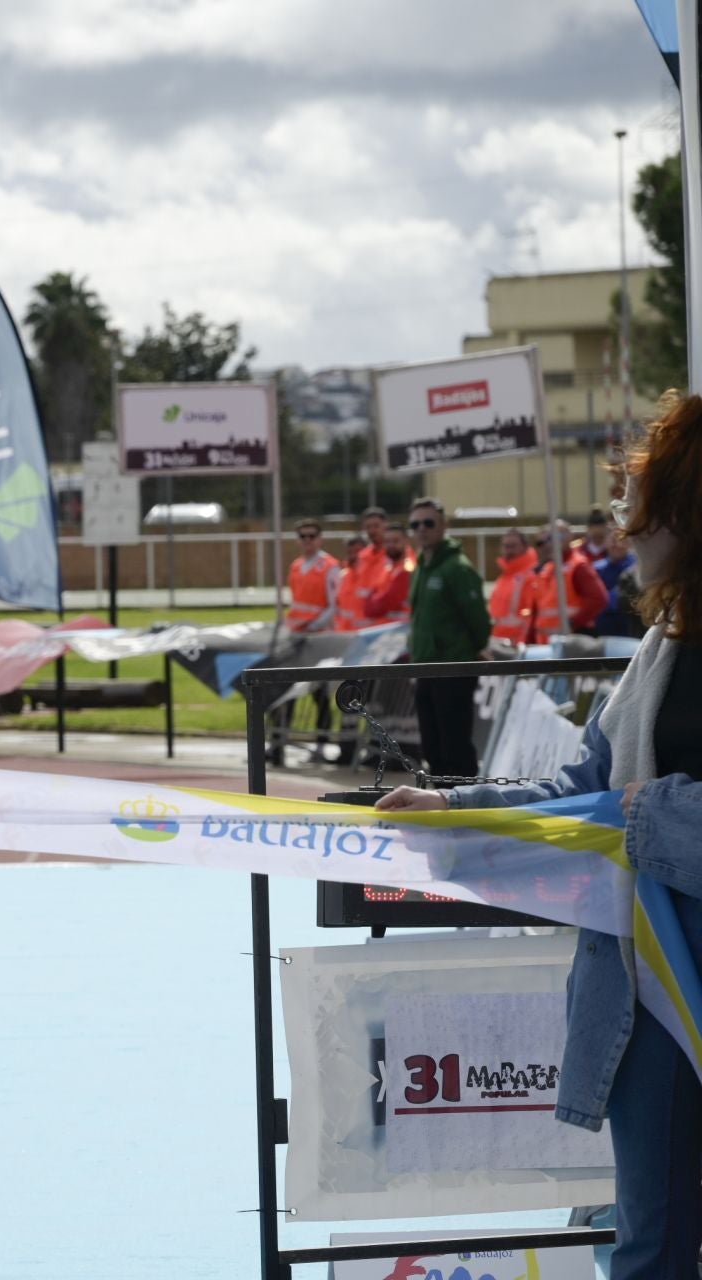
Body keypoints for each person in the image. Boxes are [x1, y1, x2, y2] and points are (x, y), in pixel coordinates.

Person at [376, 390, 702, 1279]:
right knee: (650, 1240)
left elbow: (620, 806)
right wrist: (458, 809)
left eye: (642, 502)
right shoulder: (662, 646)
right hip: (650, 999)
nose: (625, 525)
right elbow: (585, 786)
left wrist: (645, 816)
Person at [404, 497, 492, 780]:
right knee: (432, 747)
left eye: (428, 523)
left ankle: (464, 803)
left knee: (455, 746)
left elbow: (478, 621)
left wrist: (472, 649)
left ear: (444, 525)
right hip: (425, 667)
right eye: (415, 524)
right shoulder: (421, 566)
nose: (422, 529)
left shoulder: (457, 567)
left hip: (453, 668)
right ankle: (438, 806)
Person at [278, 519, 339, 762]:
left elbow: (335, 604)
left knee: (320, 693)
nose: (307, 540)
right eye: (303, 536)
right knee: (288, 689)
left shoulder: (330, 566)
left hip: (319, 638)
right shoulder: (296, 566)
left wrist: (314, 625)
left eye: (312, 535)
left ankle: (322, 743)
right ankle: (280, 740)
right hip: (296, 636)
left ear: (320, 537)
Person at [526, 519, 609, 640]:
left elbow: (598, 599)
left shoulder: (578, 566)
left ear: (570, 537)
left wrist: (572, 624)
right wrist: (529, 641)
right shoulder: (546, 569)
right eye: (549, 538)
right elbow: (537, 611)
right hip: (546, 644)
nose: (553, 542)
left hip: (571, 641)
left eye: (559, 536)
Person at [586, 510, 640, 638]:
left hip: (630, 631)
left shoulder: (635, 567)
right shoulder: (596, 569)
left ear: (628, 543)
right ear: (605, 542)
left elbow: (617, 601)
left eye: (621, 540)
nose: (616, 545)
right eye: (612, 540)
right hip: (602, 634)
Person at [487, 526, 538, 644]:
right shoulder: (504, 576)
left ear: (525, 547)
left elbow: (531, 615)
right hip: (500, 642)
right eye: (506, 546)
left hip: (517, 645)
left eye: (513, 546)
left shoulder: (531, 576)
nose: (509, 550)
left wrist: (522, 642)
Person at [362, 521, 416, 625]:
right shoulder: (387, 568)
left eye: (395, 541)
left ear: (406, 541)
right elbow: (370, 602)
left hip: (399, 631)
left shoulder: (407, 570)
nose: (391, 545)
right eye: (387, 542)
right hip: (385, 630)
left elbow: (381, 605)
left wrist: (372, 600)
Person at [332, 534, 371, 632]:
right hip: (344, 633)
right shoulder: (342, 577)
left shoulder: (374, 577)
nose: (353, 556)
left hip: (366, 635)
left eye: (358, 552)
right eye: (350, 552)